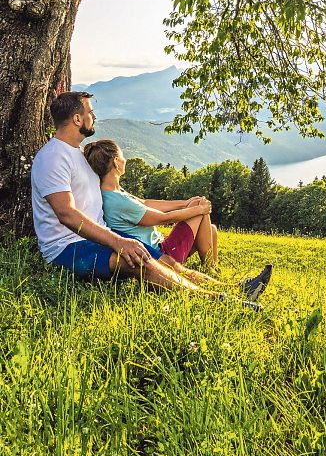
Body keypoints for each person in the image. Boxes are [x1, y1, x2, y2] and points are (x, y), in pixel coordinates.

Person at [31, 91, 271, 308]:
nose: (93, 116)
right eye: (89, 112)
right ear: (76, 119)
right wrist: (117, 241)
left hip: (97, 238)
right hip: (67, 248)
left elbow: (125, 197)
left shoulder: (79, 154)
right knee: (137, 260)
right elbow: (66, 214)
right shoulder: (52, 157)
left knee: (169, 262)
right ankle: (220, 302)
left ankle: (237, 289)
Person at [83, 139, 219, 270]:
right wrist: (200, 209)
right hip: (162, 254)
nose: (125, 159)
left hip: (159, 245)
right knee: (200, 208)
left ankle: (212, 266)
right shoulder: (117, 201)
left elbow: (145, 203)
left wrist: (185, 203)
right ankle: (210, 268)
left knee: (210, 229)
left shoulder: (113, 192)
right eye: (122, 156)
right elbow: (164, 219)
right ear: (116, 162)